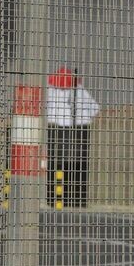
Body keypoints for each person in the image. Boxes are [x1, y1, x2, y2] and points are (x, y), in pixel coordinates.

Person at [45, 67, 100, 209]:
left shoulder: (50, 91)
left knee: (55, 165)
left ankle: (54, 200)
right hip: (80, 130)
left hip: (56, 130)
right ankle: (78, 201)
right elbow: (94, 108)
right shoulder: (79, 90)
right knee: (79, 167)